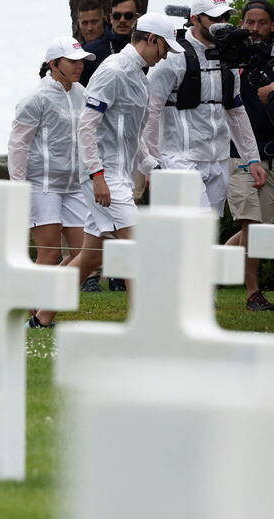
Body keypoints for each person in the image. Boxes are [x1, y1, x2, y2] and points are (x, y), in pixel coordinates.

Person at [33, 13, 181, 327]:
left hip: (120, 176)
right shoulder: (113, 71)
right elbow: (87, 127)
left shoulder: (140, 75)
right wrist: (97, 175)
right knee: (136, 245)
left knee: (91, 257)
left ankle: (41, 316)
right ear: (151, 39)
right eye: (165, 47)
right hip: (105, 176)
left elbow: (132, 133)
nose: (166, 54)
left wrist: (150, 165)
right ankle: (148, 324)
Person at [144, 0, 266, 219]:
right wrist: (151, 163)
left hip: (218, 159)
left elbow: (236, 111)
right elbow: (149, 115)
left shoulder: (230, 58)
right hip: (179, 159)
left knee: (206, 233)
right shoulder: (172, 58)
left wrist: (252, 158)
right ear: (194, 18)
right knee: (192, 229)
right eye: (214, 18)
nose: (221, 24)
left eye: (225, 18)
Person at [9, 37, 95, 270]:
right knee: (49, 255)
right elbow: (18, 146)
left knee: (85, 254)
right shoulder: (36, 99)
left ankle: (38, 296)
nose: (80, 66)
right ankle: (38, 302)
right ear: (54, 63)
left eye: (82, 61)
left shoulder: (83, 94)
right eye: (73, 61)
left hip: (75, 186)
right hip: (43, 186)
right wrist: (18, 187)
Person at [224, 0, 274, 310]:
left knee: (263, 228)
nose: (253, 29)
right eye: (249, 22)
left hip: (268, 149)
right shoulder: (228, 53)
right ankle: (252, 293)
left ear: (271, 26)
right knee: (250, 224)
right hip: (237, 149)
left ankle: (207, 268)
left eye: (260, 23)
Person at [83, 0, 141, 82]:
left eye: (128, 15)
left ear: (137, 18)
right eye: (117, 16)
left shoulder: (148, 47)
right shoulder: (91, 52)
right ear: (111, 18)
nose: (122, 20)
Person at [77, 0, 109, 84]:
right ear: (79, 24)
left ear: (103, 20)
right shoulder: (75, 52)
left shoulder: (117, 44)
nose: (90, 28)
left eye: (94, 22)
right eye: (85, 23)